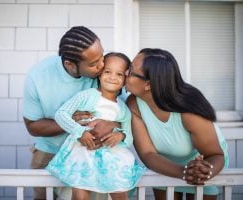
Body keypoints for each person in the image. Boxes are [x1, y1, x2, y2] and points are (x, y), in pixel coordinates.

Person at [23, 26, 118, 200]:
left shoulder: (105, 71)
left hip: (92, 154)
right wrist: (69, 123)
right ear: (70, 64)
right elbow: (32, 126)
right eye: (93, 64)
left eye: (102, 57)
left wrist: (114, 125)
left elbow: (124, 109)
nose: (102, 66)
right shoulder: (38, 77)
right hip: (50, 152)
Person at [125, 48, 229, 200]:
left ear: (148, 84)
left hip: (203, 163)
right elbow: (148, 154)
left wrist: (203, 171)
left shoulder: (189, 111)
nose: (125, 73)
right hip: (164, 165)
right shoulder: (133, 104)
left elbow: (215, 155)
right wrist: (183, 172)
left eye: (131, 71)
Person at [46, 52, 145, 200]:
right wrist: (79, 131)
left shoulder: (123, 109)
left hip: (111, 157)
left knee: (119, 191)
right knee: (80, 195)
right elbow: (61, 114)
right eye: (108, 72)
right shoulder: (87, 96)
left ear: (125, 80)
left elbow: (129, 137)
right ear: (99, 74)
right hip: (83, 152)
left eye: (119, 74)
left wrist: (120, 135)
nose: (112, 77)